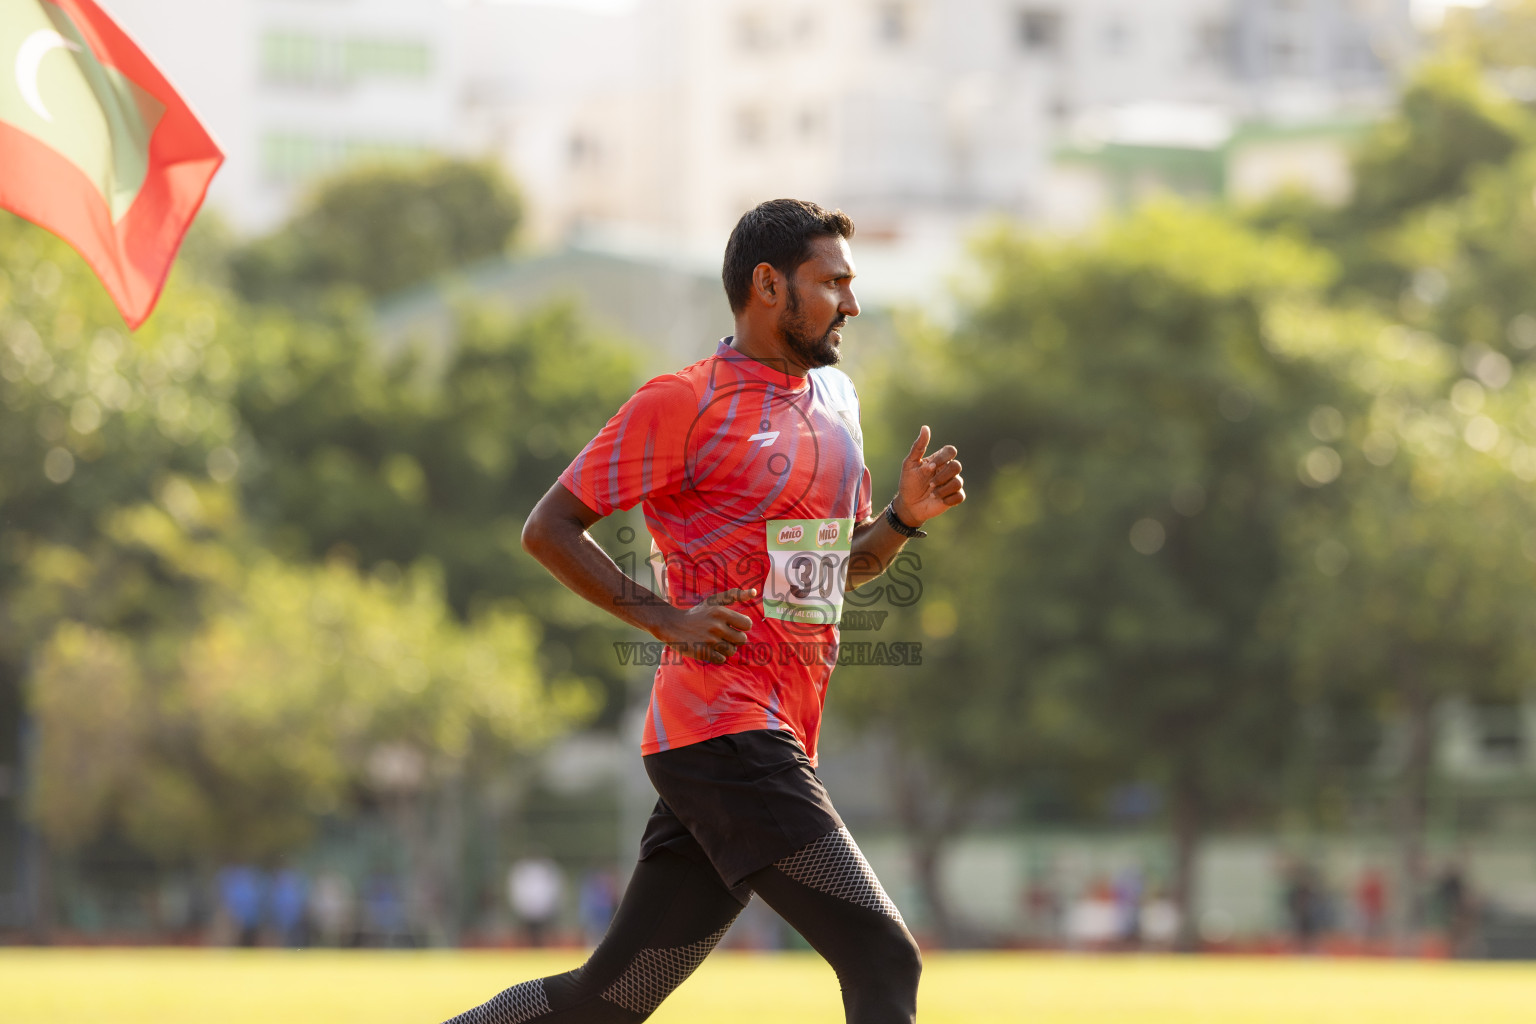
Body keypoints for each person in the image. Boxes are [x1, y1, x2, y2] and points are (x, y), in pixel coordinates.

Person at [440, 199, 965, 1024]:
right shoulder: (683, 401)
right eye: (832, 284)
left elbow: (828, 577)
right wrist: (666, 619)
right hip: (724, 731)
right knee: (881, 955)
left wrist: (899, 522)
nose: (851, 304)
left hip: (755, 739)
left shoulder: (838, 402)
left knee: (604, 1003)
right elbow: (548, 528)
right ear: (768, 285)